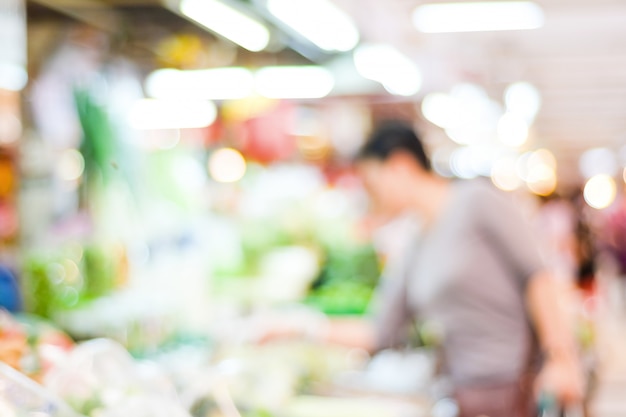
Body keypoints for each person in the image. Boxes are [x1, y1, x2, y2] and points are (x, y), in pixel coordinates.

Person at [256, 121, 584, 417]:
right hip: (463, 391)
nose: (372, 194)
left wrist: (561, 357)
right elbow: (379, 331)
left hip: (515, 386)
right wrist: (300, 327)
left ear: (400, 165)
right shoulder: (414, 242)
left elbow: (538, 276)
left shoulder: (477, 201)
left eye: (373, 180)